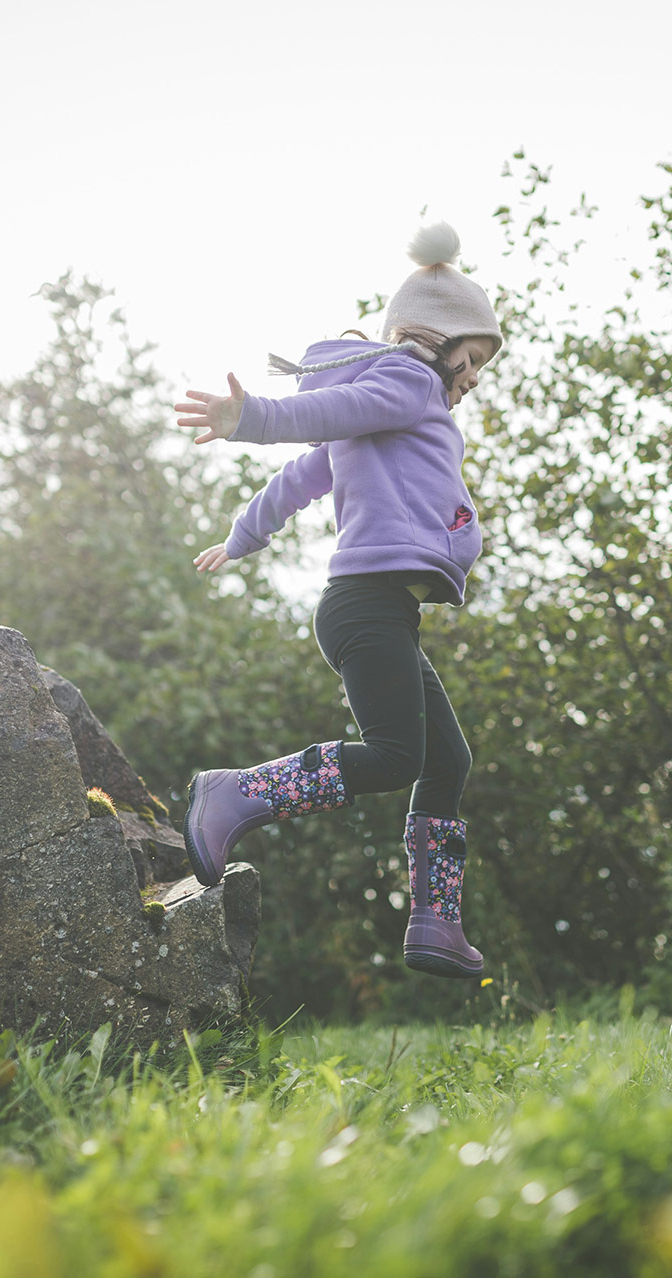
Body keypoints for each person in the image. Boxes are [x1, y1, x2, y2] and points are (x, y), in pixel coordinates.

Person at [174, 222, 500, 979]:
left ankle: (435, 921)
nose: (476, 377)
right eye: (474, 359)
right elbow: (318, 421)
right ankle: (235, 795)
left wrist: (242, 535)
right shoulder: (407, 384)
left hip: (385, 611)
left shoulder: (399, 416)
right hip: (365, 605)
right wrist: (249, 418)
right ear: (441, 337)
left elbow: (302, 477)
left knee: (446, 759)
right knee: (396, 756)